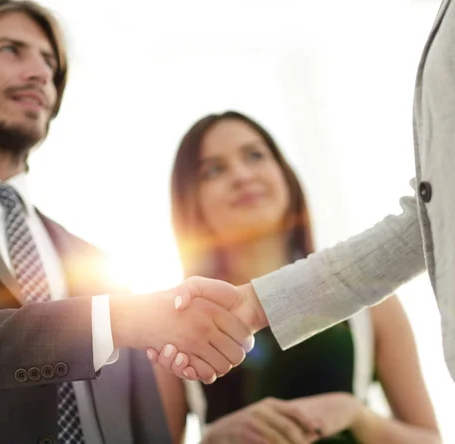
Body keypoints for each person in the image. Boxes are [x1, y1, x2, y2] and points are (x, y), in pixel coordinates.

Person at [0, 1, 261, 442]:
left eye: (49, 62)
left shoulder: (99, 265)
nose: (40, 73)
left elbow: (145, 426)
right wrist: (112, 321)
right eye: (12, 50)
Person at [151, 111, 440, 443]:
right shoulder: (176, 326)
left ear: (284, 173)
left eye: (255, 155)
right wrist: (214, 437)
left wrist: (357, 416)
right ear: (190, 200)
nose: (242, 175)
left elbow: (431, 439)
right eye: (213, 170)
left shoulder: (372, 303)